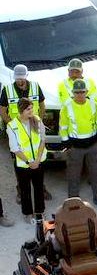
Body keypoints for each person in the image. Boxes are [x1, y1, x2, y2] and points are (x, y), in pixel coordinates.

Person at [0, 63, 47, 206]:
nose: (19, 81)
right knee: (19, 161)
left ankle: (41, 189)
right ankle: (21, 189)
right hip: (17, 130)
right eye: (17, 78)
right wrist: (12, 126)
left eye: (22, 78)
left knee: (39, 158)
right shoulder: (7, 90)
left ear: (26, 76)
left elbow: (42, 105)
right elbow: (2, 110)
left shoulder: (35, 86)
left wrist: (38, 121)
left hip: (33, 126)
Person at [59, 79, 97, 206]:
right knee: (73, 175)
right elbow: (63, 127)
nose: (80, 95)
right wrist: (66, 144)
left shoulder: (93, 104)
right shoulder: (66, 107)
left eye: (82, 92)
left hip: (92, 145)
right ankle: (73, 201)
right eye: (77, 92)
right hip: (75, 147)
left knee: (96, 173)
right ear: (73, 93)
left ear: (86, 92)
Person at [7, 98, 46, 220]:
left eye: (32, 108)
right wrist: (29, 162)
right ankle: (28, 213)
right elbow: (14, 148)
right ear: (21, 110)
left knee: (39, 187)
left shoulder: (37, 120)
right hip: (24, 165)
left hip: (39, 162)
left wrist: (38, 160)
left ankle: (39, 212)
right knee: (25, 190)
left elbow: (42, 140)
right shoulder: (12, 126)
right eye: (28, 109)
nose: (31, 111)